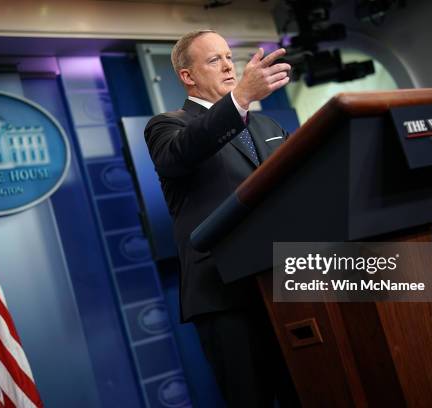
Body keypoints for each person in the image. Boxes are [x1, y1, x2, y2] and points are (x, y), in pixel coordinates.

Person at [144, 30, 299, 407]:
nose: (229, 65)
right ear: (187, 76)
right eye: (214, 60)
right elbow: (187, 150)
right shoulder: (168, 127)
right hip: (225, 296)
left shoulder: (268, 128)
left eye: (229, 56)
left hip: (286, 286)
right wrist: (241, 97)